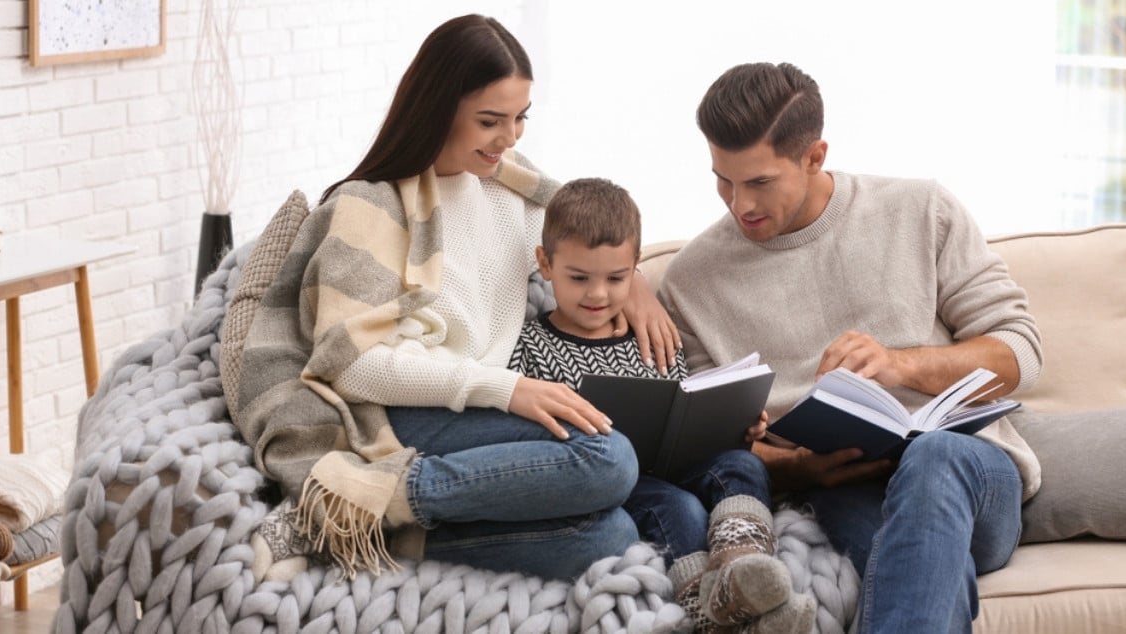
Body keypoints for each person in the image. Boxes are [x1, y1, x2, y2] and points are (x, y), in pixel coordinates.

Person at [228, 14, 680, 582]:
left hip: (477, 407)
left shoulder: (510, 183)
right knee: (609, 459)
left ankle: (382, 527)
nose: (511, 138)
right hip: (407, 406)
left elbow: (592, 232)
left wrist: (634, 284)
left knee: (612, 533)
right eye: (491, 120)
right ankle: (355, 498)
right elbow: (348, 365)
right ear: (439, 108)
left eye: (520, 118)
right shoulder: (373, 205)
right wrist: (505, 388)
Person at [658, 61, 1044, 632]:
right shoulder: (692, 282)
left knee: (935, 457)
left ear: (814, 156)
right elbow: (707, 446)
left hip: (970, 475)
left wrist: (899, 363)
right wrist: (799, 467)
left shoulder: (920, 210)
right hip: (842, 495)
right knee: (927, 571)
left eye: (759, 182)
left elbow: (1020, 353)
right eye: (723, 179)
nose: (739, 204)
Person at [508, 177, 816, 633]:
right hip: (614, 484)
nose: (597, 295)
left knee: (741, 464)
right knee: (681, 508)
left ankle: (744, 567)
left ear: (634, 271)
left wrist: (737, 427)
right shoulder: (531, 345)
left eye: (615, 279)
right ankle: (711, 612)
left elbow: (682, 402)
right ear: (545, 264)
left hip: (674, 461)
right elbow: (521, 432)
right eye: (579, 278)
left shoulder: (653, 337)